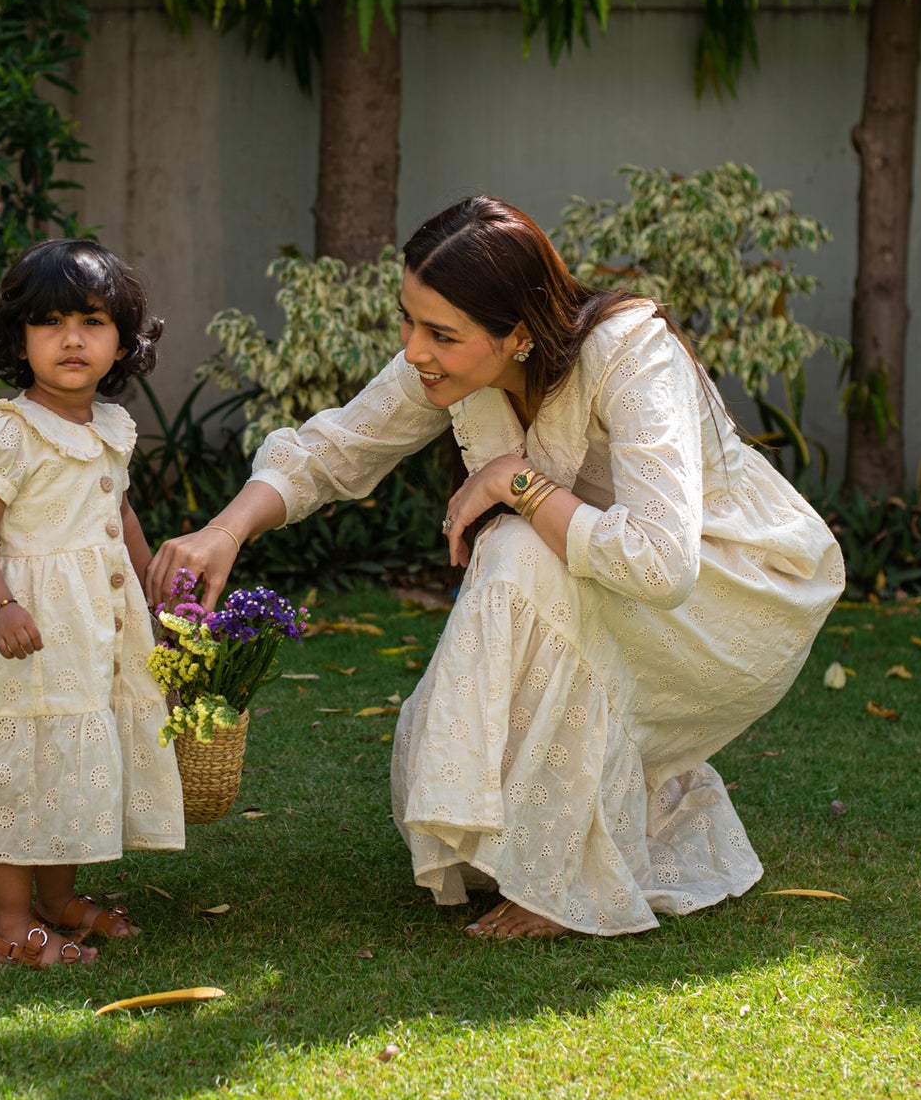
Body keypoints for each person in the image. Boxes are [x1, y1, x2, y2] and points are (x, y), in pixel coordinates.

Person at [148, 195, 844, 940]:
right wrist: (225, 531)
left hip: (738, 591)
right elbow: (336, 446)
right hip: (622, 578)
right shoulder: (449, 359)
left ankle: (558, 879)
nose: (414, 350)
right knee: (517, 551)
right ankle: (541, 841)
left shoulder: (633, 354)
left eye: (439, 333)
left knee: (514, 545)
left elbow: (660, 563)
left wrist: (518, 481)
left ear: (516, 335)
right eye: (407, 320)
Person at [0, 240, 183, 968]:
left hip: (95, 632)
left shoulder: (110, 425)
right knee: (22, 763)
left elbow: (122, 513)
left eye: (92, 321)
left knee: (69, 763)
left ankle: (58, 897)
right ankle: (10, 924)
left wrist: (152, 591)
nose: (71, 339)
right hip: (33, 630)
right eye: (48, 322)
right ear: (18, 338)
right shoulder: (8, 429)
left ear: (123, 340)